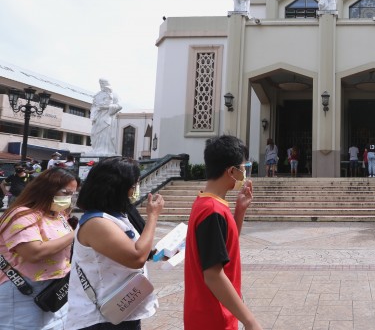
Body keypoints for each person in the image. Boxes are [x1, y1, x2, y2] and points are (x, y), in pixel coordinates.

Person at [65, 157, 163, 330]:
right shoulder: (97, 222)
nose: (135, 189)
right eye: (133, 185)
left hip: (122, 308)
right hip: (99, 319)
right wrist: (153, 216)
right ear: (118, 187)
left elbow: (139, 249)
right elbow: (136, 257)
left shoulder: (116, 216)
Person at [184, 136, 262, 330]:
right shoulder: (212, 210)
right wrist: (250, 321)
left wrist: (239, 212)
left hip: (210, 313)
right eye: (243, 167)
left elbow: (224, 246)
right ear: (231, 171)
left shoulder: (207, 202)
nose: (245, 172)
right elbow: (213, 274)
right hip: (213, 316)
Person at [0, 167, 79, 330]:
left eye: (72, 194)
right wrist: (76, 234)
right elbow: (34, 252)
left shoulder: (59, 215)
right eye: (65, 193)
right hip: (23, 291)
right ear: (46, 190)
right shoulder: (22, 215)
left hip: (53, 292)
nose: (68, 199)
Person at [90, 79, 123, 156]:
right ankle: (96, 149)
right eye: (100, 83)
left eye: (103, 83)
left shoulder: (113, 94)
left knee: (105, 134)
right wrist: (93, 116)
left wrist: (106, 107)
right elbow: (93, 106)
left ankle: (104, 149)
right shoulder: (97, 95)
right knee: (95, 133)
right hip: (98, 117)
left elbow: (119, 106)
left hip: (107, 117)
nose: (101, 85)